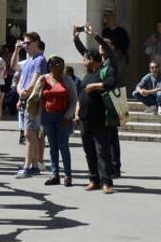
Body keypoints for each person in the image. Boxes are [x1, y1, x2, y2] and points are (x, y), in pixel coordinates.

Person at [76, 49, 117, 194]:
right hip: (84, 119)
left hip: (100, 119)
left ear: (92, 59)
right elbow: (80, 95)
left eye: (85, 59)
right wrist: (76, 113)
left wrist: (95, 86)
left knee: (102, 151)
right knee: (89, 151)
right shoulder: (87, 76)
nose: (83, 62)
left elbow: (111, 83)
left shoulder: (105, 71)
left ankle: (106, 182)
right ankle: (94, 180)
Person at [35, 57, 77, 186]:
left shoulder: (67, 79)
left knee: (63, 146)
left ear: (62, 66)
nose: (55, 67)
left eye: (58, 64)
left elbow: (74, 100)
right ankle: (55, 175)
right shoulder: (44, 78)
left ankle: (68, 175)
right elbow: (37, 96)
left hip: (62, 117)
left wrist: (68, 116)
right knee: (53, 147)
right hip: (47, 116)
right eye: (52, 64)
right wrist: (39, 83)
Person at [13, 32, 47, 178]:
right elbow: (21, 79)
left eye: (27, 43)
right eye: (24, 43)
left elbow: (37, 79)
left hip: (35, 100)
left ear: (35, 42)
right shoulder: (28, 60)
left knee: (29, 132)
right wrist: (20, 92)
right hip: (27, 99)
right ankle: (33, 164)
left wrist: (25, 92)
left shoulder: (40, 59)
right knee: (30, 132)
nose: (25, 45)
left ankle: (29, 166)